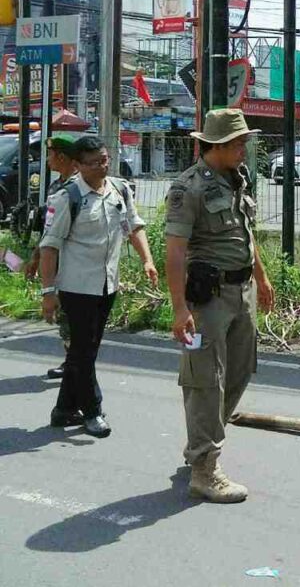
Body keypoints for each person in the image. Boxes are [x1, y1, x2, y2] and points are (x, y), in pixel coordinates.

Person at [164, 109, 275, 503]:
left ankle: (202, 443)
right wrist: (180, 309)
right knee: (205, 381)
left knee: (240, 371)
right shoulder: (188, 188)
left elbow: (245, 234)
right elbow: (175, 252)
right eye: (239, 142)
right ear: (219, 145)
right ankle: (204, 469)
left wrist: (260, 277)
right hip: (206, 299)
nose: (245, 148)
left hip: (240, 290)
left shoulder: (237, 180)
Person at [39, 136, 158, 437]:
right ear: (77, 165)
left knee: (86, 350)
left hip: (107, 284)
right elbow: (49, 248)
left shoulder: (119, 189)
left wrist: (147, 260)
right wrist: (48, 293)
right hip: (76, 287)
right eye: (94, 163)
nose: (102, 166)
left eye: (105, 159)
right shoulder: (67, 198)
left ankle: (64, 409)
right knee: (83, 351)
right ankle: (93, 411)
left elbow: (134, 225)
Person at [24, 134, 80, 379]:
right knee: (64, 313)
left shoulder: (79, 186)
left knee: (74, 314)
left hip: (77, 262)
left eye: (50, 154)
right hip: (55, 260)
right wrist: (36, 257)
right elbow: (48, 229)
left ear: (62, 157)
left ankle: (77, 363)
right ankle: (72, 360)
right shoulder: (56, 186)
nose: (47, 160)